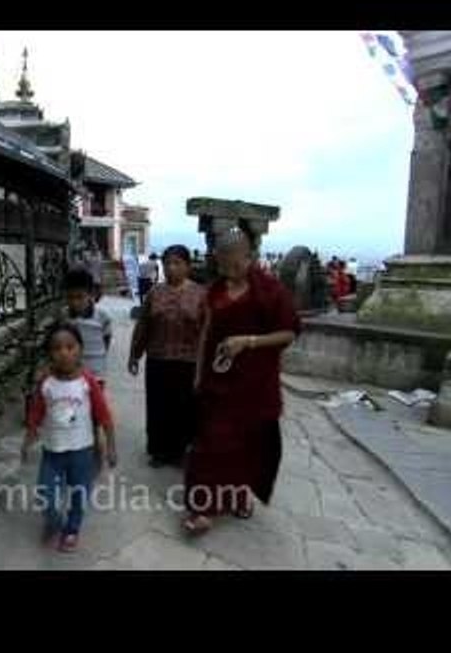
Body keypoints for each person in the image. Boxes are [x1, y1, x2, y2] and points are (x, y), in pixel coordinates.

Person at [182, 226, 301, 535]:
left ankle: (239, 494)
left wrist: (248, 341)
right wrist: (198, 373)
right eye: (223, 263)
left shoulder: (271, 290)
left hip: (255, 385)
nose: (229, 270)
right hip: (218, 381)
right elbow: (207, 332)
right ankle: (203, 508)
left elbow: (288, 333)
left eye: (235, 263)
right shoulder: (216, 291)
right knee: (209, 444)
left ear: (249, 256)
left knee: (248, 447)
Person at [22, 322, 117, 552]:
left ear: (80, 349)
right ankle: (54, 521)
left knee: (78, 493)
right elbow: (35, 413)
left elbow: (104, 416)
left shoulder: (87, 382)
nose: (64, 353)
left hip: (82, 452)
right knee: (46, 495)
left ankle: (72, 528)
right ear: (49, 354)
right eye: (57, 348)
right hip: (52, 452)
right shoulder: (46, 383)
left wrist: (111, 446)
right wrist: (28, 440)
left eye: (70, 347)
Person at [128, 244, 206, 467]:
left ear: (188, 266)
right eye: (167, 263)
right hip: (158, 359)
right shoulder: (155, 293)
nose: (171, 268)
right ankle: (159, 451)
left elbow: (208, 331)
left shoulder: (201, 295)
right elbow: (143, 325)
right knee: (158, 406)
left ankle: (180, 452)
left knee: (184, 409)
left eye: (177, 263)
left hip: (188, 362)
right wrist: (134, 354)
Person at [61, 267, 113, 383]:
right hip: (71, 374)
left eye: (80, 297)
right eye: (70, 297)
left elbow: (106, 340)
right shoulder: (64, 317)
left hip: (96, 375)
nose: (75, 302)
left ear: (90, 294)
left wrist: (99, 357)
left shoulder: (102, 317)